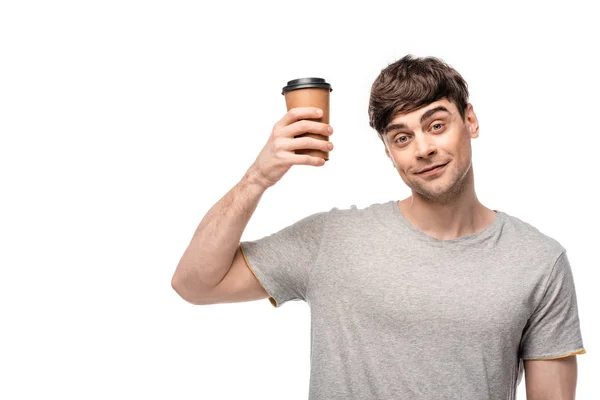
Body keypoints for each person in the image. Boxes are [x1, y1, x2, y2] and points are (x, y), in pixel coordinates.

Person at [171, 54, 586, 399]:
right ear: (388, 152)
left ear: (470, 122)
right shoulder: (331, 240)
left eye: (436, 125)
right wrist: (257, 177)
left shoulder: (538, 261)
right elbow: (194, 283)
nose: (424, 148)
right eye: (401, 138)